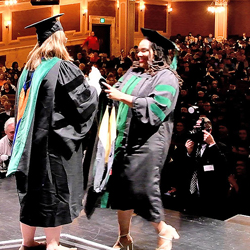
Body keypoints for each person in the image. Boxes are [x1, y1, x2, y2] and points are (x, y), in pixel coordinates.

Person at [6, 14, 100, 250]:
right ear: (59, 39)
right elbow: (83, 103)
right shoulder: (63, 67)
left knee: (31, 194)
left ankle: (27, 243)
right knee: (52, 193)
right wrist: (95, 86)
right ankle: (53, 245)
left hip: (28, 146)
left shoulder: (29, 70)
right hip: (51, 146)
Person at [102, 28, 181, 250]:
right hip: (125, 139)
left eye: (145, 51)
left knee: (142, 189)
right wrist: (101, 88)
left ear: (157, 52)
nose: (139, 55)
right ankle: (124, 236)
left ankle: (164, 231)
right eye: (138, 50)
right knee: (122, 190)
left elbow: (157, 109)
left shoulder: (167, 77)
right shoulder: (134, 73)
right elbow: (115, 92)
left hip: (148, 143)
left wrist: (123, 97)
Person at [181, 117, 230, 219]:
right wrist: (189, 153)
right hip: (193, 197)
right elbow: (187, 169)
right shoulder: (194, 146)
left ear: (209, 130)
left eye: (200, 129)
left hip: (212, 198)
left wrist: (212, 144)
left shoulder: (220, 147)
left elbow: (224, 167)